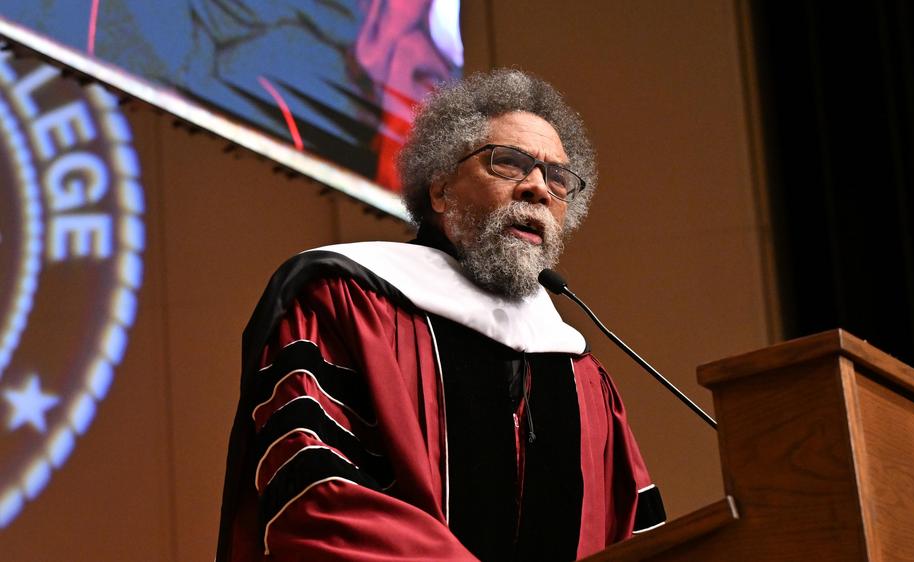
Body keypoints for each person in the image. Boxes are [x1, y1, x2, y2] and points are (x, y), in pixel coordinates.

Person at [216, 68, 665, 562]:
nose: (539, 189)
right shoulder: (344, 302)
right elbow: (314, 491)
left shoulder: (580, 372)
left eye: (557, 178)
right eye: (509, 163)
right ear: (440, 190)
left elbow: (638, 536)